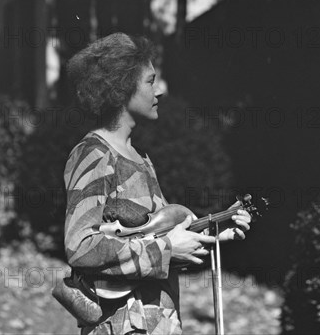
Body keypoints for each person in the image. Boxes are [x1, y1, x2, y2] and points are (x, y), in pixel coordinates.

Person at [64, 32, 251, 335]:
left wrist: (216, 234)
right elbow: (81, 248)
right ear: (122, 88)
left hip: (159, 322)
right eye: (150, 81)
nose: (160, 90)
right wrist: (165, 250)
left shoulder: (141, 158)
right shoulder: (93, 154)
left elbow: (153, 237)